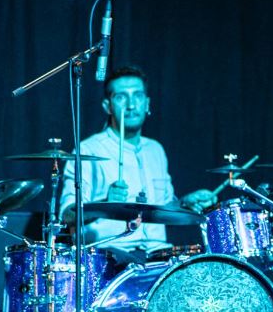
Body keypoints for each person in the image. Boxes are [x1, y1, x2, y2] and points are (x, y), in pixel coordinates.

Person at [58, 65, 216, 263]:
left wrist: (185, 204)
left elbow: (163, 208)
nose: (131, 105)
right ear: (107, 106)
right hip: (110, 257)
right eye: (121, 97)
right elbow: (67, 215)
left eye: (138, 96)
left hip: (158, 254)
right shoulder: (88, 150)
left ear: (147, 104)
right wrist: (105, 203)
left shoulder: (156, 150)